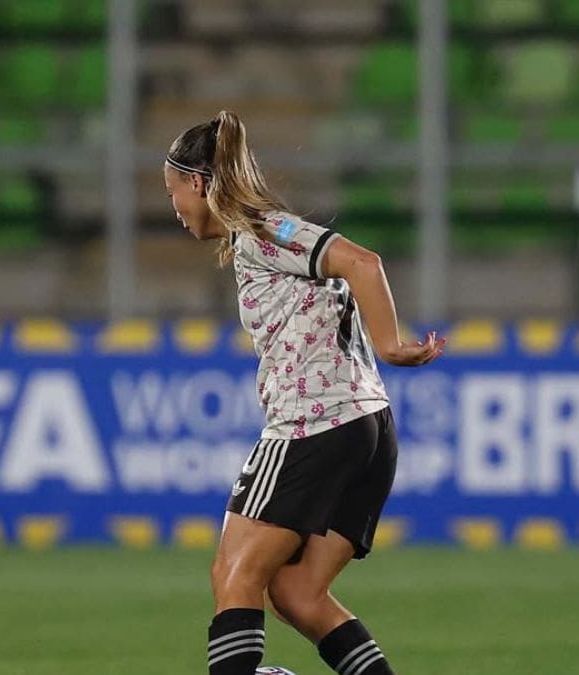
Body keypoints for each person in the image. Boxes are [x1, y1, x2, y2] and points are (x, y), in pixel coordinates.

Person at [162, 111, 444, 675]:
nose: (174, 208)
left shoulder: (264, 231)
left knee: (235, 574)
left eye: (173, 193)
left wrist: (390, 344)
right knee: (298, 593)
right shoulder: (263, 235)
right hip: (368, 426)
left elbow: (362, 262)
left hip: (314, 424)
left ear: (196, 182)